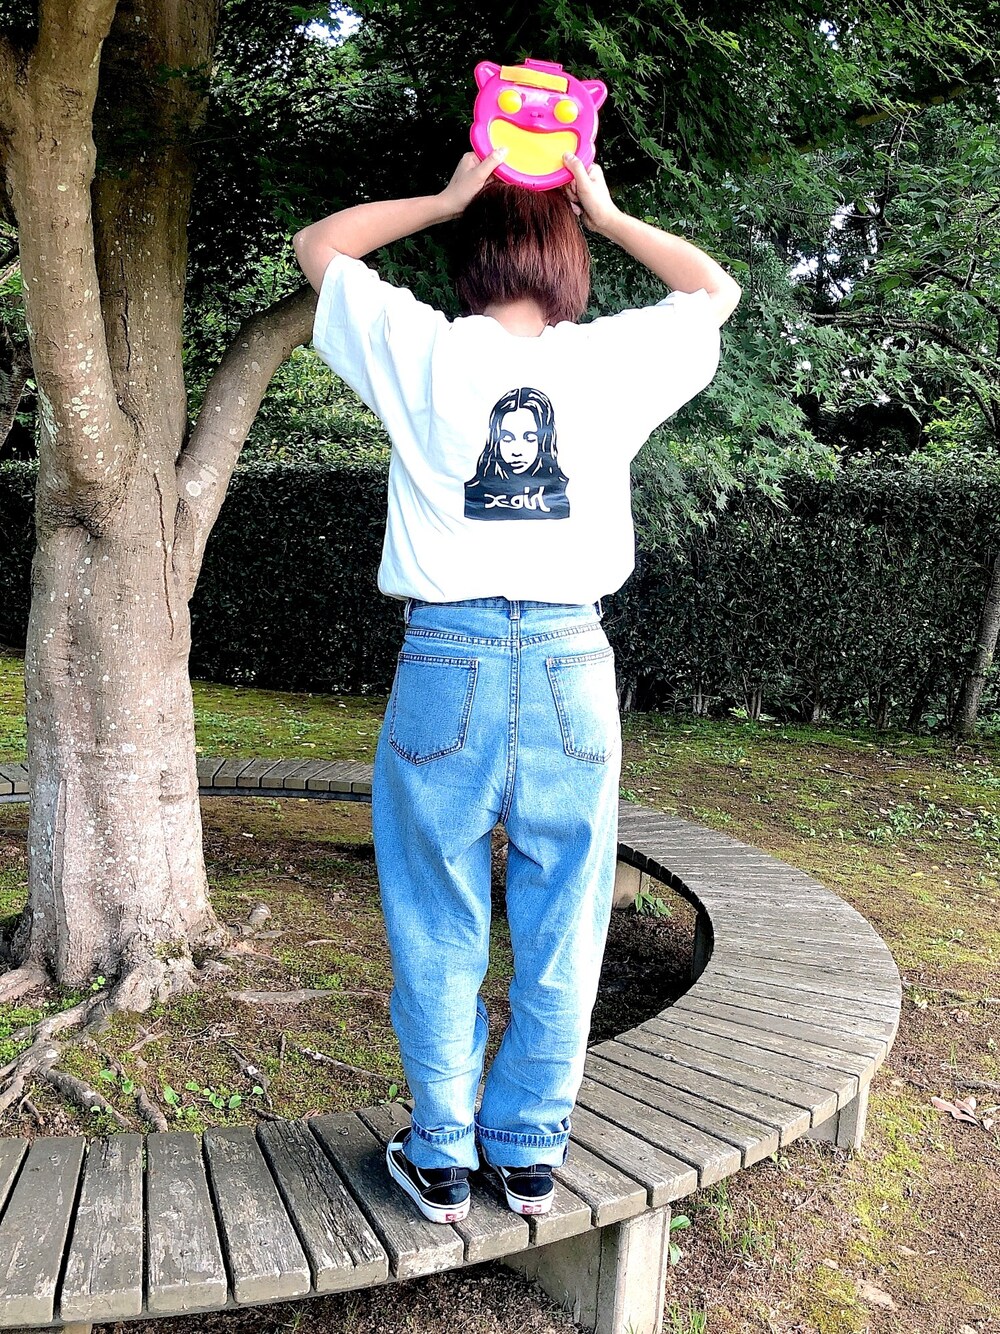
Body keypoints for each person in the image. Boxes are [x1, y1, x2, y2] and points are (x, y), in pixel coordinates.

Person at [293, 145, 741, 1224]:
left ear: (473, 256)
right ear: (569, 261)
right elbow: (713, 291)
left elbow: (320, 247)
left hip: (444, 656)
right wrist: (608, 211)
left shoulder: (421, 348)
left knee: (433, 905)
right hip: (570, 660)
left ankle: (441, 1152)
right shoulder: (610, 359)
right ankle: (530, 1152)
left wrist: (444, 196)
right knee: (565, 914)